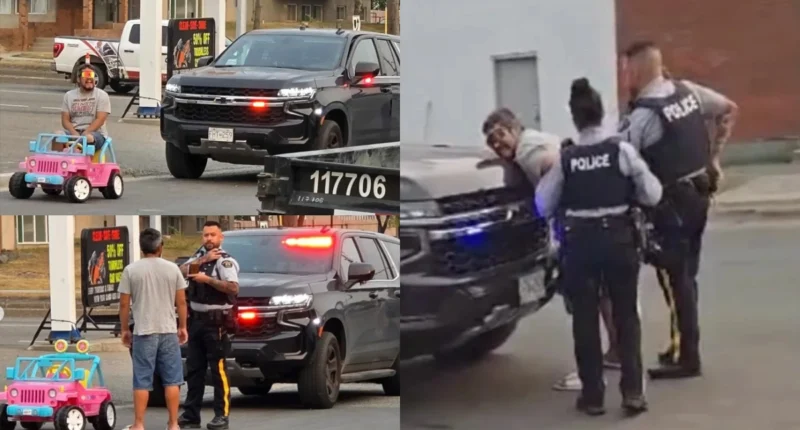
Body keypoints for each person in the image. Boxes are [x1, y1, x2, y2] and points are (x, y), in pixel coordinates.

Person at [536, 77, 662, 416]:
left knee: (585, 321)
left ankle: (592, 396)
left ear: (574, 118)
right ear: (602, 113)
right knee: (626, 318)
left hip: (580, 245)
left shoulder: (567, 159)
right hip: (619, 240)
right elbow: (652, 193)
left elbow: (543, 204)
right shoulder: (621, 150)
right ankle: (633, 393)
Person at [481, 108, 622, 393]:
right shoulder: (539, 138)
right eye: (491, 141)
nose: (498, 144)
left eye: (500, 135)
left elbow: (552, 163)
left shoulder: (528, 152)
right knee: (605, 292)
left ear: (515, 128)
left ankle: (589, 373)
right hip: (597, 223)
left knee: (583, 302)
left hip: (573, 229)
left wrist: (548, 202)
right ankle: (617, 352)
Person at [619, 41, 738, 378]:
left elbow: (622, 162)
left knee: (676, 279)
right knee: (687, 275)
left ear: (638, 70)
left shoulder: (643, 116)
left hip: (671, 206)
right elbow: (729, 109)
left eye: (626, 69)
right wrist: (714, 157)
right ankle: (680, 344)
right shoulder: (687, 92)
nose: (624, 76)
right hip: (700, 195)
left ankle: (689, 356)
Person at [119, 228, 189, 430]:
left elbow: (124, 304)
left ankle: (139, 424)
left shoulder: (131, 270)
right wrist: (182, 326)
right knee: (172, 380)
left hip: (143, 331)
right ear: (160, 247)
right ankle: (173, 423)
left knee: (142, 379)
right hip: (168, 330)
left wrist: (125, 330)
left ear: (142, 248)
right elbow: (181, 302)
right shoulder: (172, 269)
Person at [178, 221, 240, 430]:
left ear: (221, 237)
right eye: (205, 235)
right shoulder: (198, 259)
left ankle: (221, 416)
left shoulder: (225, 262)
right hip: (196, 322)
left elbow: (233, 288)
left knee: (218, 371)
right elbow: (180, 272)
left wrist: (208, 280)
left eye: (213, 235)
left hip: (217, 324)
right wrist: (203, 259)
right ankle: (191, 415)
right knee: (194, 370)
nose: (209, 239)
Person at [59, 65, 111, 149]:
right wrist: (74, 133)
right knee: (57, 136)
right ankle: (56, 160)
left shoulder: (102, 95)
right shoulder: (69, 95)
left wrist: (84, 134)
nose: (89, 79)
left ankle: (75, 159)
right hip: (74, 131)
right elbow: (65, 120)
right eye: (86, 75)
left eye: (91, 75)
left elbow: (100, 119)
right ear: (78, 79)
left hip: (95, 133)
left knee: (87, 138)